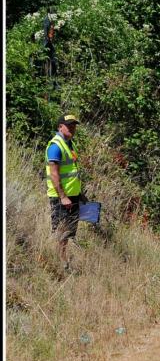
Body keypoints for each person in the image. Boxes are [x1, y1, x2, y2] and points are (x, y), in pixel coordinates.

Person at [46, 114, 83, 272]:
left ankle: (63, 262)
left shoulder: (70, 144)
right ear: (60, 126)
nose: (72, 128)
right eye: (69, 125)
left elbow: (72, 172)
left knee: (67, 232)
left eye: (74, 125)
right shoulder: (56, 145)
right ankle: (58, 264)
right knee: (60, 232)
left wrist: (79, 194)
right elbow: (54, 174)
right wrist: (62, 196)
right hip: (62, 198)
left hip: (72, 196)